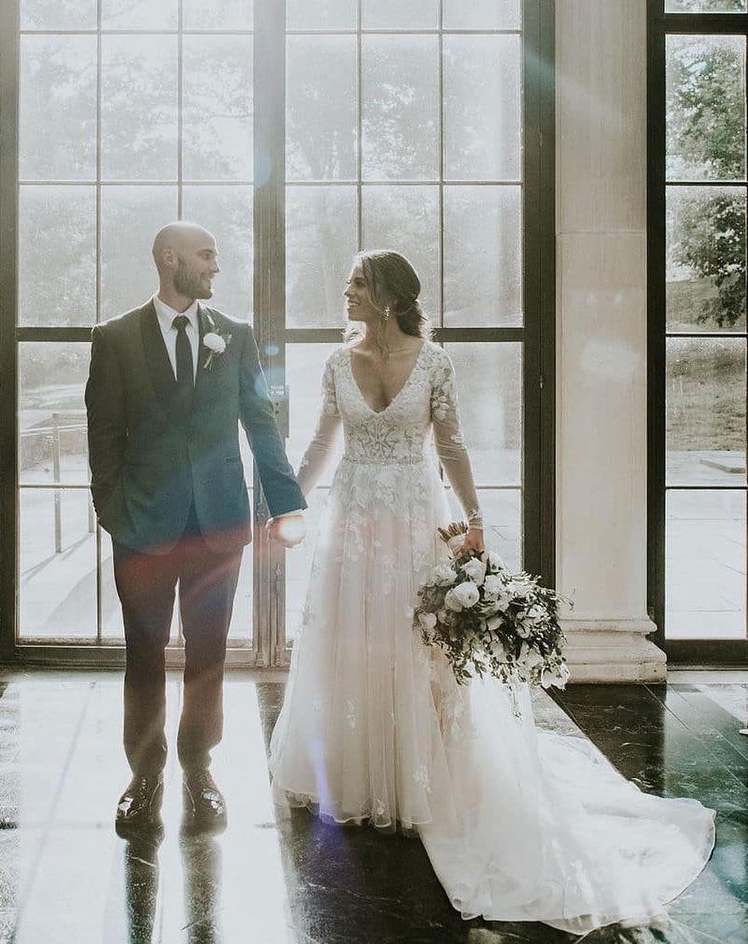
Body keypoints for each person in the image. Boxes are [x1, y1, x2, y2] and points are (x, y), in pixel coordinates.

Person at [269, 249, 714, 934]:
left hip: (415, 518)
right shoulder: (337, 364)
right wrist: (287, 505)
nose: (346, 292)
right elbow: (323, 447)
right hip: (354, 521)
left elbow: (451, 448)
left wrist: (474, 523)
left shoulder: (434, 361)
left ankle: (421, 773)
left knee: (421, 644)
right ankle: (361, 775)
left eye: (356, 282)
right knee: (350, 640)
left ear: (388, 295)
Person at [86, 221, 306, 834]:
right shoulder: (115, 339)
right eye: (207, 255)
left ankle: (199, 767)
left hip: (218, 523)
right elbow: (102, 437)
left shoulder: (233, 336)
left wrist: (285, 502)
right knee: (143, 652)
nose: (216, 266)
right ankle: (144, 772)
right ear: (169, 258)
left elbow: (261, 423)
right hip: (142, 528)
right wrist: (114, 513)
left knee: (208, 654)